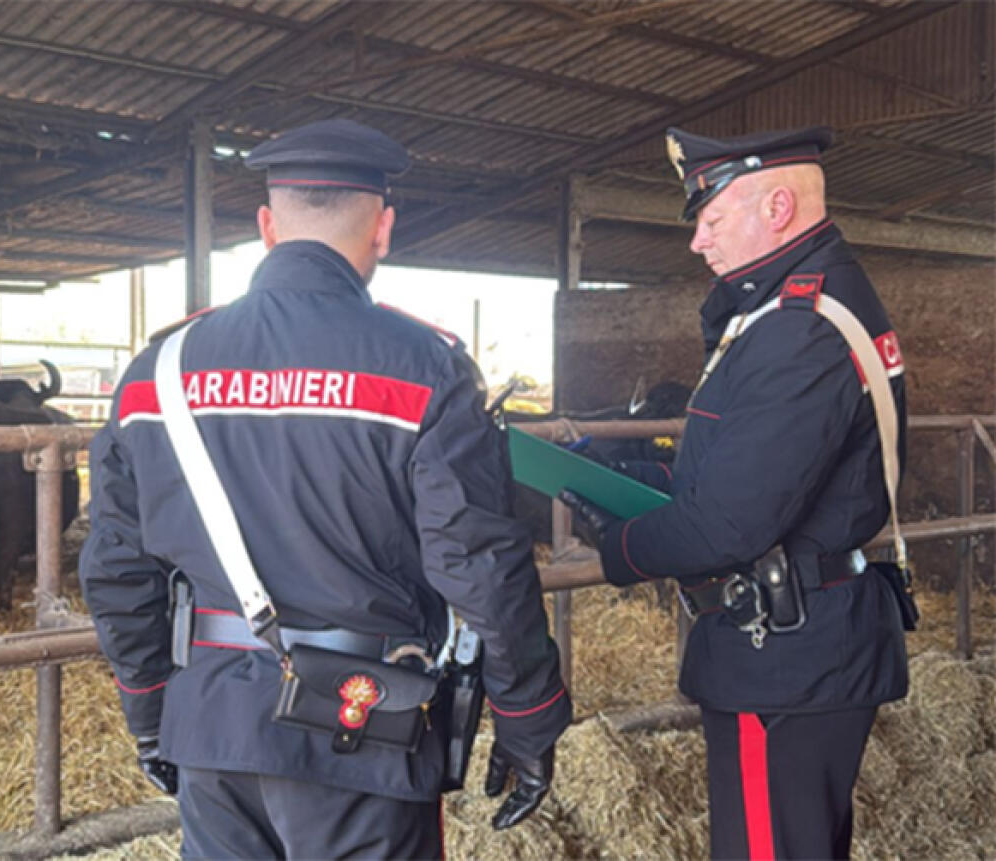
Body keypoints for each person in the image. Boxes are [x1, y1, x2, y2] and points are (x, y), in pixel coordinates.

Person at [79, 118, 571, 859]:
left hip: (215, 722)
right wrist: (529, 712)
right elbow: (477, 562)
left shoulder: (161, 370)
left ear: (267, 225)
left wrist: (150, 708)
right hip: (365, 725)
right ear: (384, 228)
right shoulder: (423, 367)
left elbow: (115, 564)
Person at [561, 126, 910, 860]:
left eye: (712, 219)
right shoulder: (790, 309)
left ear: (778, 206)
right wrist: (635, 483)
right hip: (802, 640)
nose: (698, 242)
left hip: (784, 654)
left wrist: (621, 544)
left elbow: (730, 523)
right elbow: (744, 473)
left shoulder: (799, 329)